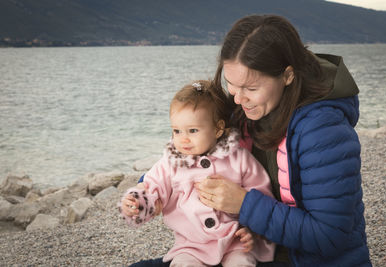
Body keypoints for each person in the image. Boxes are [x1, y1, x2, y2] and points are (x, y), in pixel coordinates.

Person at [193, 15, 372, 266]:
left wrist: (244, 204)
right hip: (250, 249)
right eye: (231, 84)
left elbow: (330, 236)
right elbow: (200, 146)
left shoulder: (322, 130)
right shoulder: (247, 110)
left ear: (287, 75)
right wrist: (150, 188)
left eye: (251, 89)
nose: (238, 99)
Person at [119, 80, 275, 266]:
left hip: (234, 240)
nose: (183, 139)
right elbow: (152, 188)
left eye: (193, 130)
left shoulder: (238, 158)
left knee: (242, 263)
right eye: (176, 131)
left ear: (217, 129)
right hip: (191, 245)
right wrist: (136, 203)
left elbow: (260, 196)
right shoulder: (171, 163)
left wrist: (251, 230)